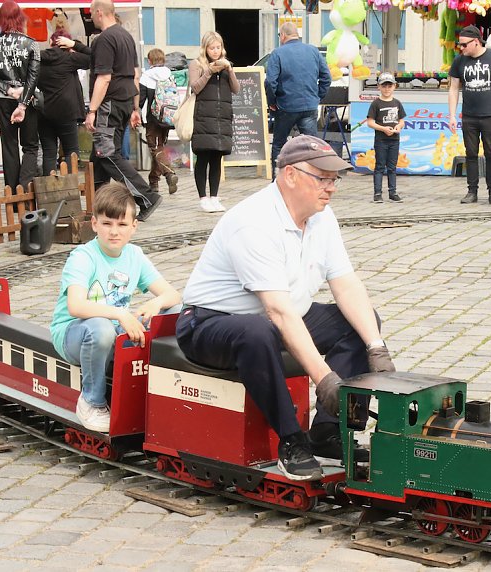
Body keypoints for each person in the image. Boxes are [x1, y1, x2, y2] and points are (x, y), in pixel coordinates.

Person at [176, 135, 395, 481]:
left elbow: (346, 283)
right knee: (257, 331)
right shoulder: (253, 222)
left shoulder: (322, 217)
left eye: (334, 178)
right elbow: (277, 311)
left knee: (363, 322)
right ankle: (291, 440)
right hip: (210, 323)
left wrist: (376, 347)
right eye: (322, 177)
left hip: (282, 315)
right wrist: (324, 379)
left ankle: (326, 432)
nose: (331, 187)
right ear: (290, 175)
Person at [50, 182, 182, 432]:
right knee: (101, 329)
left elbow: (172, 294)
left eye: (122, 225)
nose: (114, 232)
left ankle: (159, 388)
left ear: (134, 226)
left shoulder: (134, 255)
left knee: (174, 312)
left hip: (116, 329)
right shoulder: (83, 257)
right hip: (75, 333)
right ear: (94, 224)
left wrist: (154, 303)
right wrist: (121, 313)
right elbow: (76, 306)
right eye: (107, 223)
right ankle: (91, 400)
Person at [84, 0, 162, 222]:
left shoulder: (105, 39)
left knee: (106, 153)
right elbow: (136, 74)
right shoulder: (126, 37)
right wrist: (135, 107)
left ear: (99, 13)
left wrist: (92, 111)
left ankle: (147, 197)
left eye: (91, 14)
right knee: (98, 159)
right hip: (125, 101)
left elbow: (104, 77)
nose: (91, 17)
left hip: (109, 103)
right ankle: (100, 208)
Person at [447, 25, 491, 207]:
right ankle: (472, 191)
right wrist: (452, 115)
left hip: (490, 115)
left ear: (476, 42)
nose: (461, 48)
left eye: (464, 44)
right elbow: (453, 89)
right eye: (459, 45)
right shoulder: (459, 61)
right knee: (471, 154)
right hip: (469, 115)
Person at [0, 1, 41, 191]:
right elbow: (33, 76)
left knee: (9, 147)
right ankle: (24, 188)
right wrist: (23, 103)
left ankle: (13, 197)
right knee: (30, 146)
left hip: (4, 101)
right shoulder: (31, 43)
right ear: (20, 18)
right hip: (28, 100)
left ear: (0, 19)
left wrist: (8, 90)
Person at [265, 22, 331, 177]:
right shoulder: (313, 51)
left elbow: (270, 82)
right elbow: (326, 77)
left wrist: (272, 102)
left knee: (279, 145)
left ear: (282, 35)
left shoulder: (278, 53)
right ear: (297, 35)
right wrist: (317, 96)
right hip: (309, 106)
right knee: (312, 146)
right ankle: (314, 178)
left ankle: (277, 181)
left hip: (286, 107)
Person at [187, 32, 240, 213]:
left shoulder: (226, 65)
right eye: (212, 48)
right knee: (203, 157)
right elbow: (195, 87)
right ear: (205, 48)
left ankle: (215, 197)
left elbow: (236, 89)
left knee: (217, 158)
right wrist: (209, 71)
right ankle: (203, 198)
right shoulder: (197, 64)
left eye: (218, 47)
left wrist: (230, 70)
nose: (216, 51)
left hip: (221, 118)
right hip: (203, 117)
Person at [37, 30, 90, 175]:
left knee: (49, 152)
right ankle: (69, 188)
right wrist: (75, 45)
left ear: (49, 42)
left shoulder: (39, 58)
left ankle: (50, 191)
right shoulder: (69, 59)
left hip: (44, 112)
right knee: (71, 151)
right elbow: (94, 57)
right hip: (67, 112)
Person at [139, 48, 179, 195]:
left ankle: (169, 174)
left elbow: (141, 100)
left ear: (149, 61)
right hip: (167, 117)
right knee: (159, 147)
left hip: (152, 118)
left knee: (156, 148)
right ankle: (153, 181)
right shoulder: (169, 74)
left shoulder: (146, 76)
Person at [366, 72, 406, 203]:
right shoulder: (376, 104)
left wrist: (398, 127)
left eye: (389, 86)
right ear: (379, 87)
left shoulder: (397, 103)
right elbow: (370, 122)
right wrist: (383, 129)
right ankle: (377, 193)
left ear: (395, 86)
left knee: (392, 167)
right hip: (381, 140)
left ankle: (392, 192)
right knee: (379, 166)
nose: (387, 89)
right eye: (384, 86)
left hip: (394, 140)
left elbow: (401, 120)